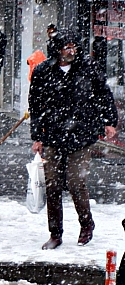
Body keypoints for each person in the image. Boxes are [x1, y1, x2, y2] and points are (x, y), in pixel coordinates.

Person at [29, 30, 118, 250]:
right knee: (52, 185)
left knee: (76, 182)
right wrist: (37, 137)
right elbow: (36, 105)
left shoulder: (87, 69)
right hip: (52, 135)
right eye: (66, 47)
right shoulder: (43, 71)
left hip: (81, 134)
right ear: (57, 50)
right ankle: (55, 233)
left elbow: (103, 94)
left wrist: (109, 121)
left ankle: (86, 225)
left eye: (74, 47)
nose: (71, 51)